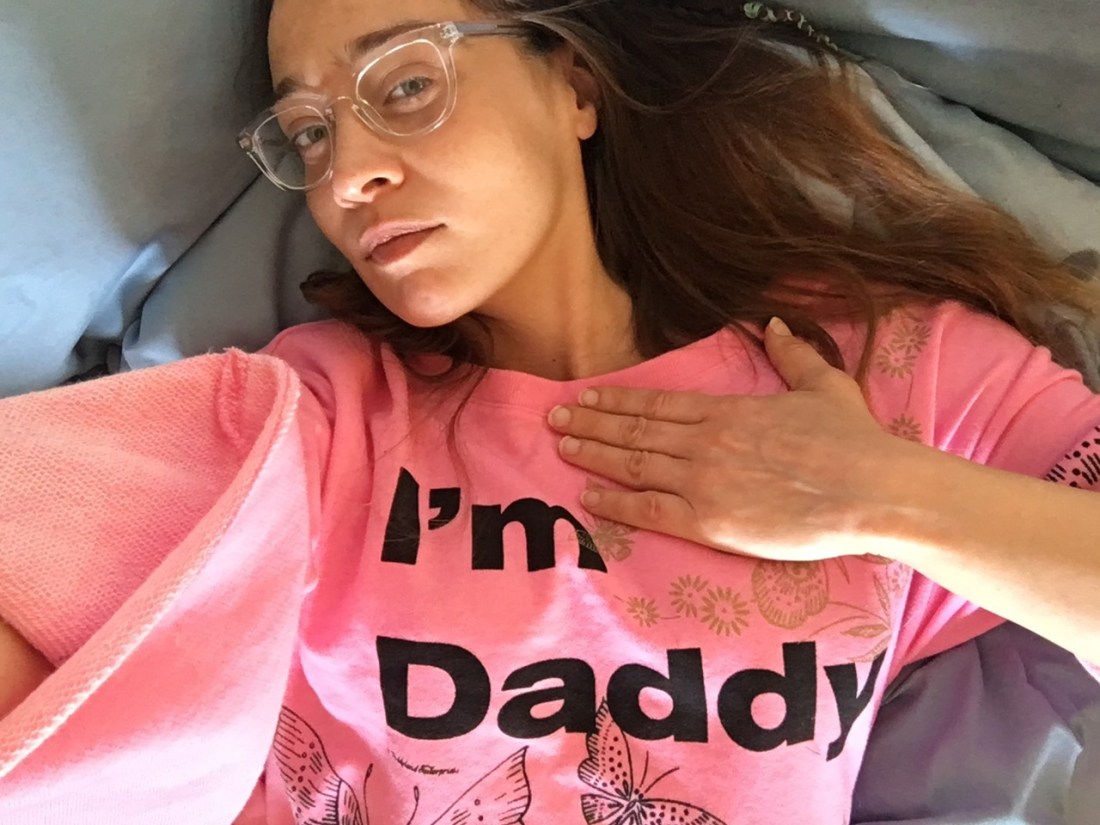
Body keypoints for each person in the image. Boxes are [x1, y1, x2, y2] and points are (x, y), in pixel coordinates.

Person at [3, 0, 1100, 822]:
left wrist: (883, 498)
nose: (346, 179)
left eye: (403, 86)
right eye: (309, 136)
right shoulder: (305, 425)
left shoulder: (877, 374)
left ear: (573, 82)